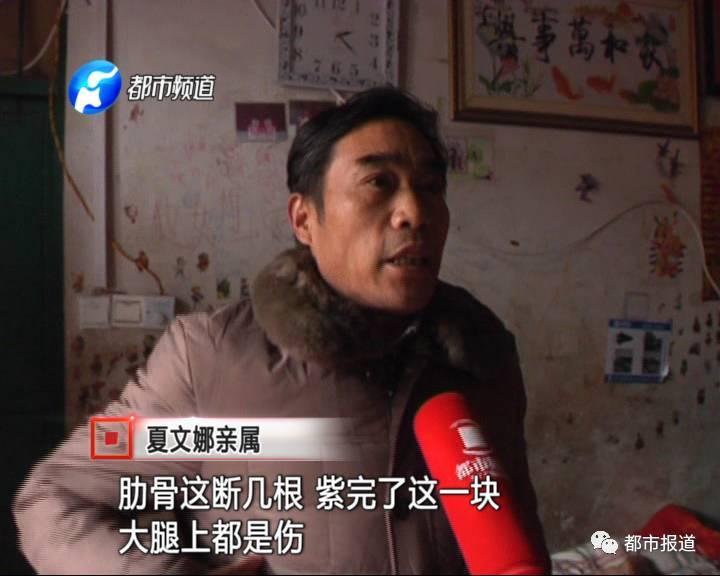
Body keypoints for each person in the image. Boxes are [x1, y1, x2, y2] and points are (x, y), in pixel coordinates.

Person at [14, 86, 550, 574]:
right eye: (378, 183)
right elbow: (54, 498)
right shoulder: (211, 358)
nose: (415, 212)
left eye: (431, 187)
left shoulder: (484, 357)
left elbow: (515, 531)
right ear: (304, 219)